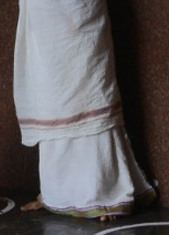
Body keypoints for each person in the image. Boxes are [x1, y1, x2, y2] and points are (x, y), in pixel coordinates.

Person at [13, 0, 155, 221]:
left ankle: (103, 193)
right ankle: (57, 193)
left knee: (88, 89)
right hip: (43, 11)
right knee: (51, 95)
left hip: (77, 10)